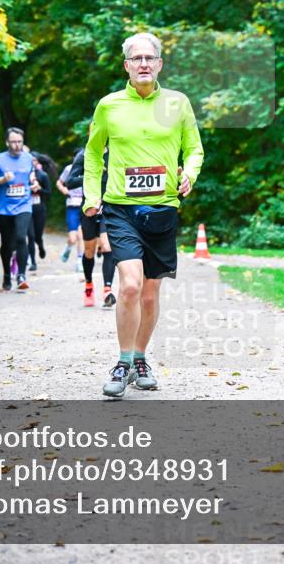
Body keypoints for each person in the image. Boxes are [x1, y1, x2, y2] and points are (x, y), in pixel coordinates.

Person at [83, 32, 204, 398]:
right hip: (120, 208)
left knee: (150, 296)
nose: (144, 64)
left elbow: (194, 149)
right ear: (127, 65)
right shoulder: (109, 106)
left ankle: (140, 358)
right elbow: (93, 153)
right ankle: (122, 363)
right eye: (136, 58)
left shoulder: (178, 103)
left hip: (163, 209)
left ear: (160, 64)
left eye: (150, 58)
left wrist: (189, 173)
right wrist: (92, 196)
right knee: (131, 285)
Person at [0, 128, 41, 291]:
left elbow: (31, 176)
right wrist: (3, 179)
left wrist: (34, 183)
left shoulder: (28, 158)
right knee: (7, 244)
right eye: (13, 142)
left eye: (19, 142)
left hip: (24, 204)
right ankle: (6, 274)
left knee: (21, 237)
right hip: (3, 208)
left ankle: (21, 275)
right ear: (7, 143)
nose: (17, 145)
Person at [65, 146, 117, 307]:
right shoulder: (84, 155)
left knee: (107, 246)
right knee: (89, 251)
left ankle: (107, 290)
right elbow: (69, 182)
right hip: (89, 208)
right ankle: (88, 285)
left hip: (109, 207)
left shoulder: (116, 151)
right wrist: (91, 175)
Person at [55, 153, 84, 269]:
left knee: (81, 235)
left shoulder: (90, 167)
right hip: (72, 205)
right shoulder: (69, 169)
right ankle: (68, 248)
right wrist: (63, 189)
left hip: (84, 206)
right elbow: (59, 182)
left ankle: (79, 261)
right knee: (72, 238)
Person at [27, 154, 52, 271]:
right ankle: (33, 262)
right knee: (30, 236)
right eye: (30, 160)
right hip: (27, 209)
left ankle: (40, 245)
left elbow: (49, 192)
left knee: (37, 236)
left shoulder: (43, 175)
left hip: (39, 209)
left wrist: (39, 189)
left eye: (34, 160)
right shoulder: (24, 175)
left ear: (37, 162)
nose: (32, 162)